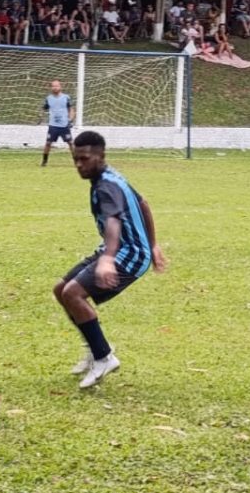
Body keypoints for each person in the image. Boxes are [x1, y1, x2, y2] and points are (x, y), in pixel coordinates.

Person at [54, 131, 166, 389]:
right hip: (119, 249)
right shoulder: (109, 176)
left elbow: (114, 221)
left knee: (73, 293)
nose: (79, 165)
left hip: (129, 254)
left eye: (84, 159)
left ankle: (104, 357)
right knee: (61, 290)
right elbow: (143, 203)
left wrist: (108, 259)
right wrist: (154, 243)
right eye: (75, 159)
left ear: (100, 156)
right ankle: (96, 350)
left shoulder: (106, 187)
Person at [41, 79, 76, 167]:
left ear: (60, 87)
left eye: (57, 86)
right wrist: (41, 116)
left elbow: (71, 109)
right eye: (53, 86)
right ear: (51, 88)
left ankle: (77, 161)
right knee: (48, 143)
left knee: (71, 143)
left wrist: (70, 120)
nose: (55, 87)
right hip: (53, 125)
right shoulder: (48, 98)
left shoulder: (66, 97)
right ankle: (44, 161)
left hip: (64, 125)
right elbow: (44, 108)